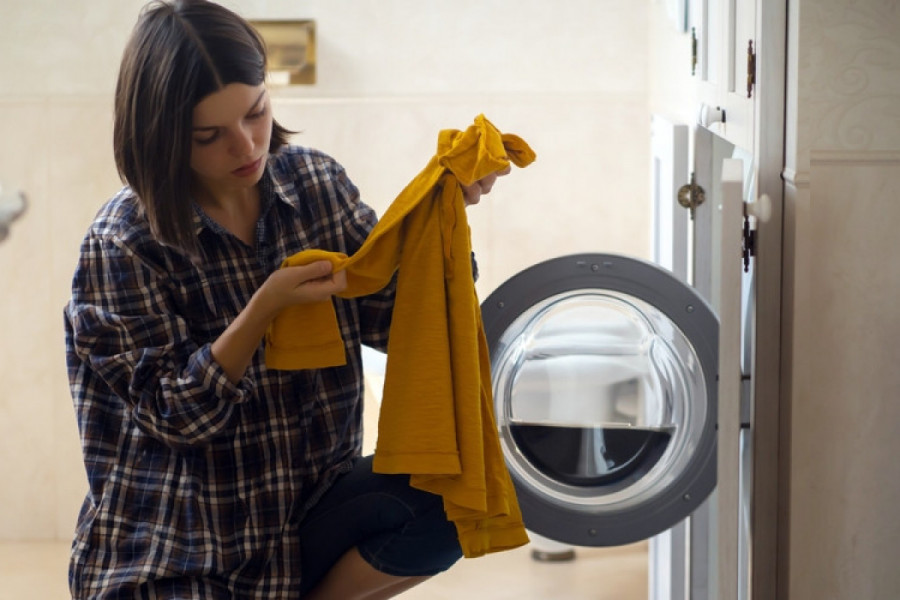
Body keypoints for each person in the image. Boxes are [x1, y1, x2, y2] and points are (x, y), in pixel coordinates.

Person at [64, 0, 509, 598]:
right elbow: (175, 417)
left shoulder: (315, 185)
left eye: (257, 112)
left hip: (301, 521)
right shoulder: (123, 243)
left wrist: (441, 221)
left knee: (456, 492)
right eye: (209, 135)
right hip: (175, 548)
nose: (246, 145)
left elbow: (393, 318)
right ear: (162, 136)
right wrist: (262, 310)